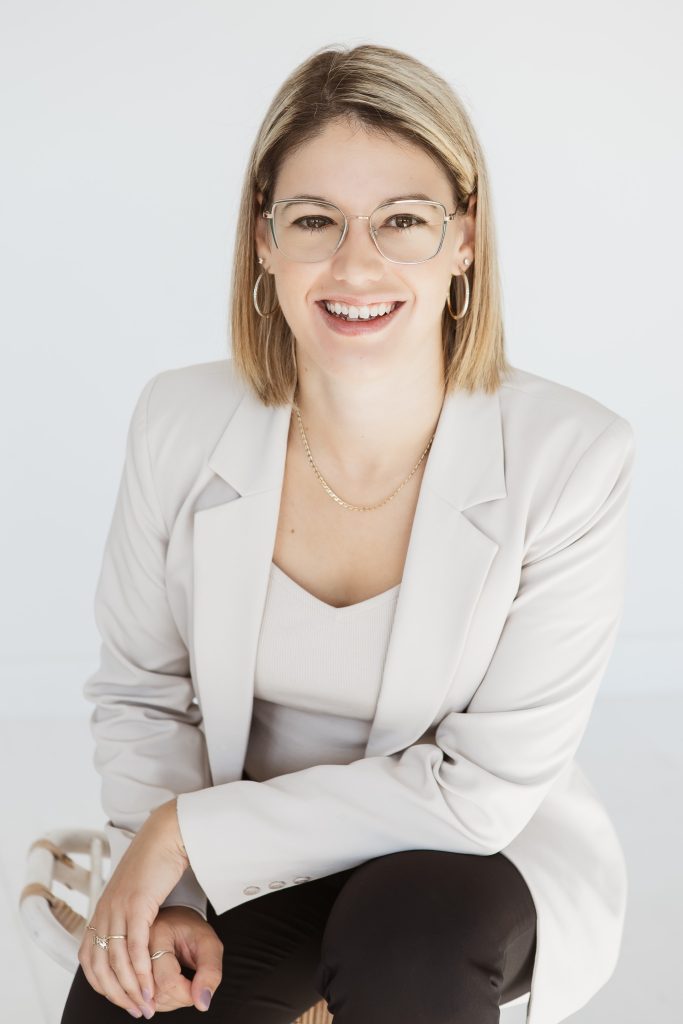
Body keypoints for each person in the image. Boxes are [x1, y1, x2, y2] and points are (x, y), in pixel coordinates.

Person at [60, 42, 635, 1024]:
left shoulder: (569, 457)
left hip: (462, 859)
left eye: (402, 221)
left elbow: (480, 791)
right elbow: (142, 690)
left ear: (464, 241)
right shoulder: (179, 420)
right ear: (263, 241)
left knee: (408, 936)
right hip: (242, 862)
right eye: (314, 220)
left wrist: (183, 833)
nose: (355, 263)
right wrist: (178, 887)